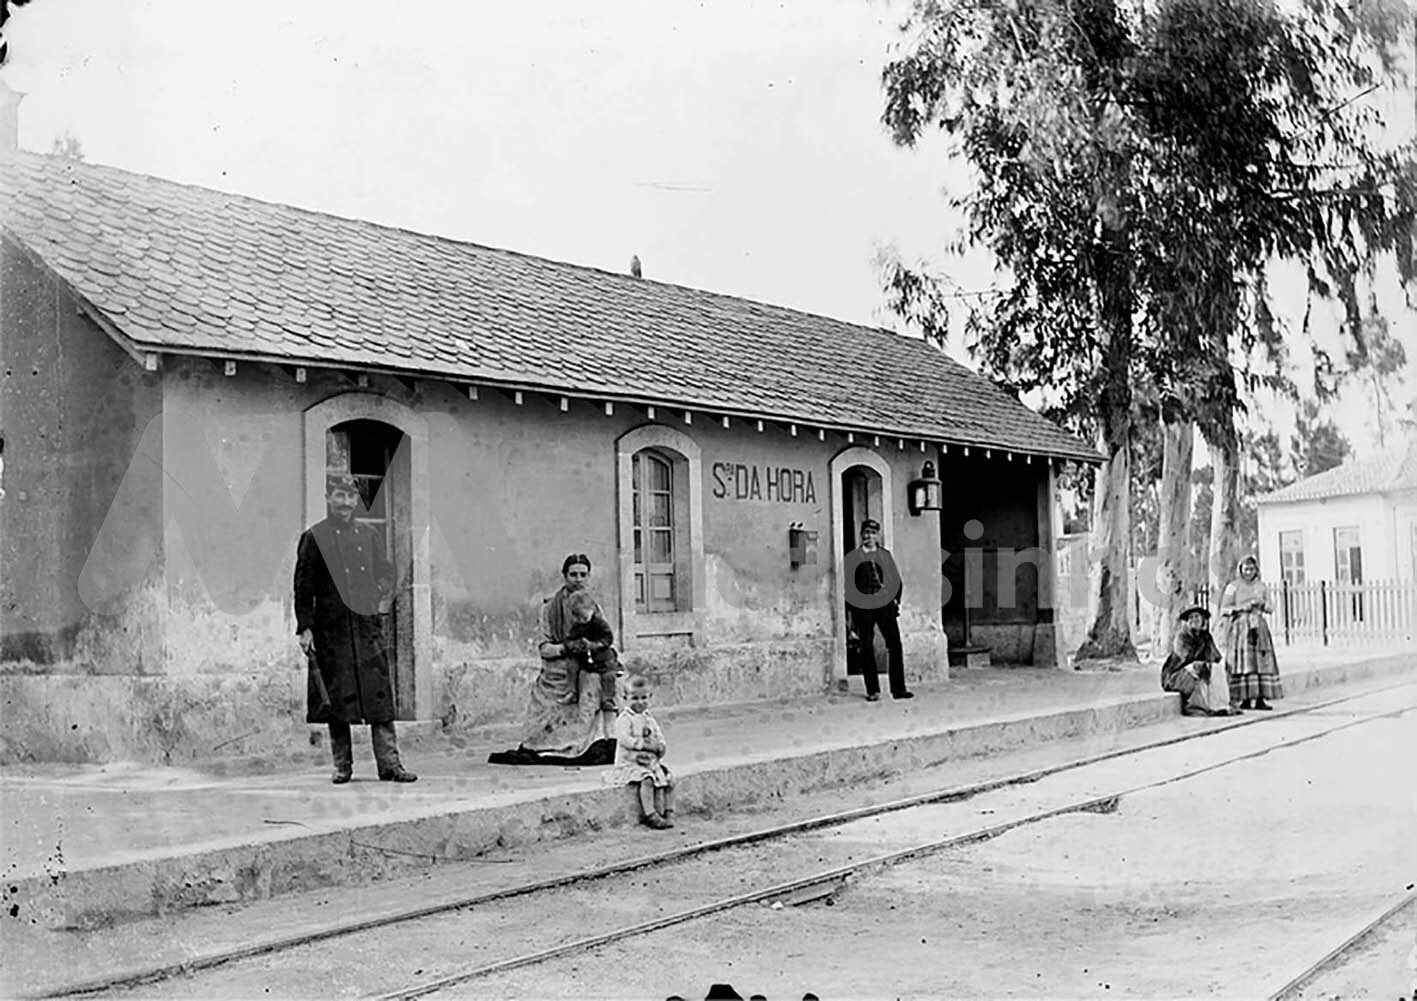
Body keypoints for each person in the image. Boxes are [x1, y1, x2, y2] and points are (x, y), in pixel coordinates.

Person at [294, 473, 417, 783]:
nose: (345, 502)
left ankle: (390, 765)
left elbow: (386, 572)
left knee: (379, 696)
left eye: (351, 497)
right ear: (328, 499)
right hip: (332, 631)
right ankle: (342, 766)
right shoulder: (314, 537)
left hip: (365, 629)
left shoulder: (368, 535)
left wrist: (378, 593)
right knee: (337, 700)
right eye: (339, 496)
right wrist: (305, 627)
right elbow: (302, 587)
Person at [487, 554, 618, 766]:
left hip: (588, 666)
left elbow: (605, 638)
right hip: (557, 669)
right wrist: (566, 647)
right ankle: (547, 746)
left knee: (601, 688)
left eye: (583, 575)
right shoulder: (549, 608)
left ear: (588, 577)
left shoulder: (594, 607)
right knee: (545, 702)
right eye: (573, 574)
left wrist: (594, 649)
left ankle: (595, 741)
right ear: (564, 576)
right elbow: (544, 647)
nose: (578, 579)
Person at [845, 518, 913, 702]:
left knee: (895, 645)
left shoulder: (885, 555)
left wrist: (896, 601)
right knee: (866, 646)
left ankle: (898, 689)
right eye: (866, 533)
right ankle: (872, 690)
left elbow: (896, 581)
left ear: (877, 535)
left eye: (873, 533)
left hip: (885, 606)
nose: (869, 536)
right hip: (863, 608)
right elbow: (849, 587)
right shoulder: (852, 558)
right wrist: (851, 612)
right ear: (861, 535)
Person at [610, 674, 676, 829]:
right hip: (630, 763)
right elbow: (624, 739)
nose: (639, 702)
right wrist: (643, 746)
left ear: (650, 697)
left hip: (649, 762)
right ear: (625, 697)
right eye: (634, 698)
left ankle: (669, 811)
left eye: (643, 698)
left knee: (670, 779)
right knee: (647, 780)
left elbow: (658, 736)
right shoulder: (625, 719)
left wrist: (660, 746)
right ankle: (650, 814)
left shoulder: (649, 718)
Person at [1220, 555, 1283, 710]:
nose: (1249, 572)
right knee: (1244, 662)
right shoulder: (1233, 587)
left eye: (1252, 569)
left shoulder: (1261, 587)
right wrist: (1241, 608)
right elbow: (1223, 610)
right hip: (1241, 629)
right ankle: (1245, 698)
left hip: (1258, 627)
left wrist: (1262, 604)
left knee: (1260, 661)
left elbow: (1271, 608)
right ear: (1240, 570)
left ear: (1256, 570)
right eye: (1246, 569)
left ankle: (1260, 698)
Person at [1160, 605, 1235, 717]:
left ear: (1202, 620)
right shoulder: (1182, 636)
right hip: (1176, 675)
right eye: (1191, 617)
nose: (1194, 620)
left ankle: (1219, 704)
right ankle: (1196, 706)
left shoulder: (1205, 636)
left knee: (1218, 669)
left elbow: (1215, 656)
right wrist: (1203, 664)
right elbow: (1184, 657)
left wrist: (1214, 663)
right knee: (1199, 668)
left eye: (1197, 617)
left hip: (1198, 670)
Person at [562, 590, 621, 713]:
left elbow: (608, 638)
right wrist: (575, 645)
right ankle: (572, 692)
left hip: (601, 657)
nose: (581, 620)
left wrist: (595, 645)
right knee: (571, 664)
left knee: (609, 675)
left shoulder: (599, 623)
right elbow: (568, 640)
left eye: (584, 617)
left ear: (592, 609)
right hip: (584, 657)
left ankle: (608, 700)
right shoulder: (576, 626)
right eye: (577, 617)